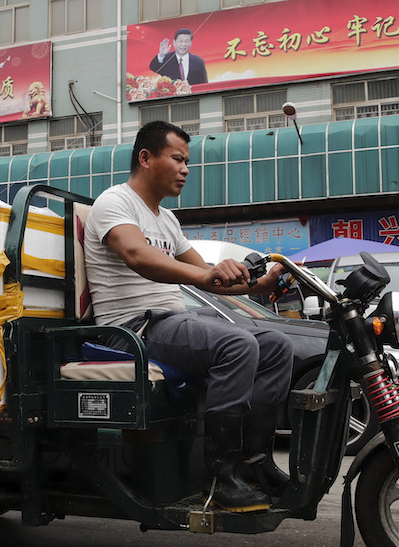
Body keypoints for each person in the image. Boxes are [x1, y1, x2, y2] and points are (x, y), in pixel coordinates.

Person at [84, 121, 293, 513]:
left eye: (188, 162)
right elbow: (137, 255)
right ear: (146, 158)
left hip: (168, 325)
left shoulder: (167, 220)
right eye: (178, 159)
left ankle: (254, 462)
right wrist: (204, 275)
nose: (186, 169)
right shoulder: (114, 203)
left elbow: (209, 280)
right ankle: (221, 476)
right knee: (237, 343)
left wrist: (258, 287)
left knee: (276, 346)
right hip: (131, 328)